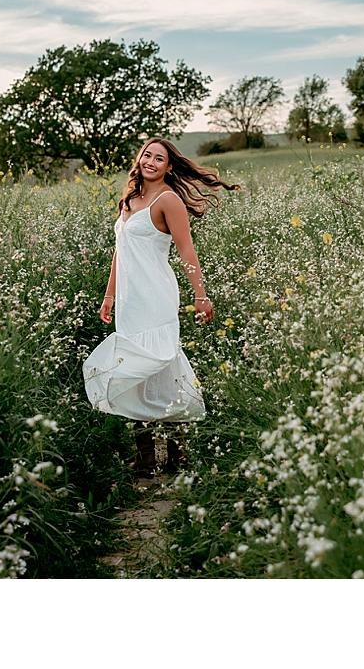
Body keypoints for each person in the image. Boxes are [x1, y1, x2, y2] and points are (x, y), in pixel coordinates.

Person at [83, 137, 240, 475]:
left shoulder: (169, 200)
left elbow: (186, 251)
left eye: (159, 158)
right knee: (133, 369)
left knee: (162, 366)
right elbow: (119, 252)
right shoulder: (129, 199)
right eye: (146, 155)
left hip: (156, 297)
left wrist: (201, 295)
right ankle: (146, 456)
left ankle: (176, 453)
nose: (151, 162)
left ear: (169, 167)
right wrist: (109, 295)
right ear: (139, 160)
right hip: (129, 300)